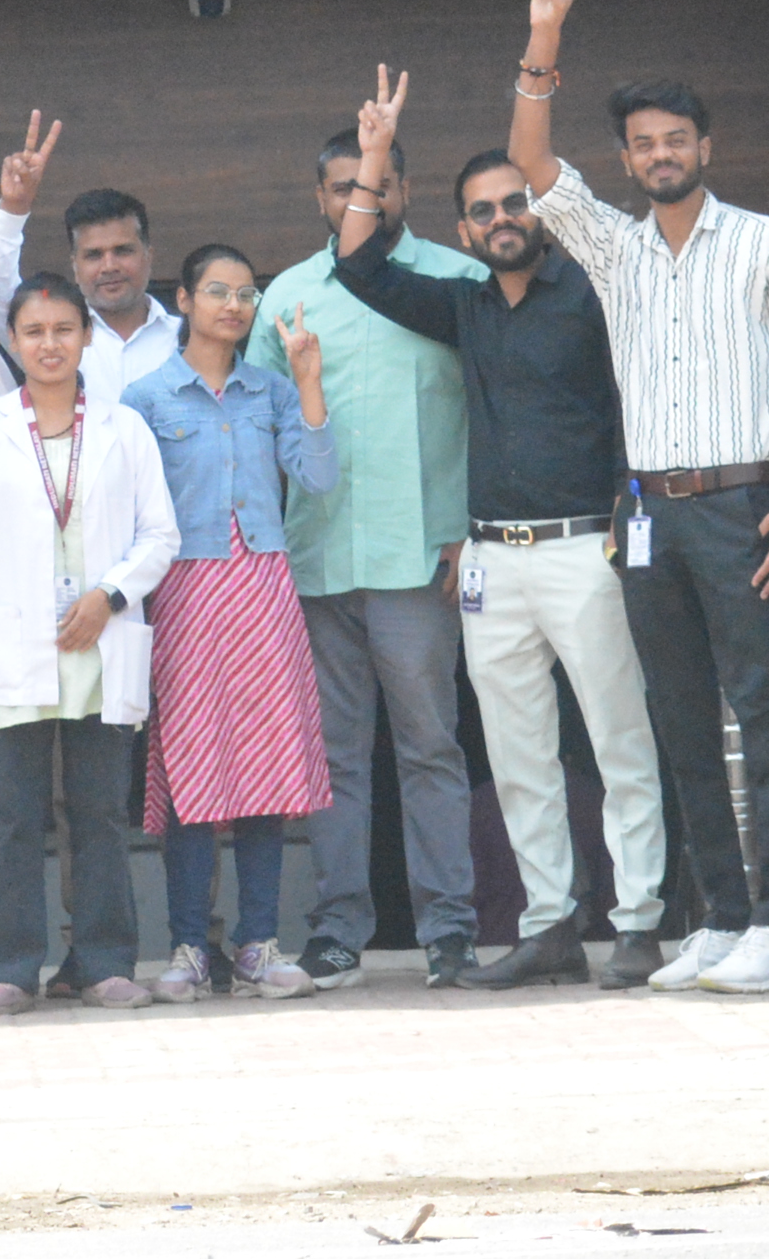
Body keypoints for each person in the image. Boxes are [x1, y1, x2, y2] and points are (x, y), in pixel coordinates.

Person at [505, 0, 769, 998]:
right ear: (626, 158)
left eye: (675, 138)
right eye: (643, 144)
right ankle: (720, 918)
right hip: (643, 513)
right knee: (679, 717)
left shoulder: (762, 243)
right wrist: (543, 37)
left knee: (762, 709)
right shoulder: (610, 250)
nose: (660, 154)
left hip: (743, 505)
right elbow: (527, 165)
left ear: (705, 143)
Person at [329, 79, 669, 992]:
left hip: (583, 549)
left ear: (539, 208)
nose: (501, 219)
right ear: (467, 231)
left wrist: (623, 532)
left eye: (514, 202)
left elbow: (636, 416)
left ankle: (637, 921)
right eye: (481, 212)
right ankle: (549, 924)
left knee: (616, 740)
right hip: (490, 561)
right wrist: (373, 160)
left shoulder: (594, 295)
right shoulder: (466, 303)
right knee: (520, 755)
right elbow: (359, 267)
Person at [0, 248, 180, 1012]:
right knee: (15, 820)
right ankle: (10, 969)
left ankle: (104, 962)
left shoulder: (125, 428)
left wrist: (109, 597)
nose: (49, 344)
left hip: (97, 644)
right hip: (15, 654)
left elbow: (161, 536)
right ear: (13, 343)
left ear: (85, 337)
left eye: (62, 329)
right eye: (33, 331)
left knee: (101, 819)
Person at [259, 117, 487, 989]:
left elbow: (494, 420)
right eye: (350, 185)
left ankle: (450, 930)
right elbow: (259, 429)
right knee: (333, 757)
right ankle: (339, 930)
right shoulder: (284, 298)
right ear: (322, 198)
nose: (369, 197)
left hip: (422, 560)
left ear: (406, 190)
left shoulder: (461, 280)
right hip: (315, 563)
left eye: (384, 181)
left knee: (431, 747)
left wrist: (473, 528)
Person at [123, 244, 340, 1001]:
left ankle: (257, 941)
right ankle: (187, 945)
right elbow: (128, 515)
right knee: (189, 773)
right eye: (216, 291)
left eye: (246, 293)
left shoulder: (272, 391)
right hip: (182, 590)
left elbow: (316, 478)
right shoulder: (144, 400)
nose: (233, 305)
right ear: (181, 300)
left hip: (262, 585)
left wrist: (309, 383)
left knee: (266, 771)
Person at [0, 110, 182, 400]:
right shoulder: (51, 336)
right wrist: (15, 205)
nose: (109, 266)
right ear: (75, 266)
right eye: (93, 255)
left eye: (123, 251)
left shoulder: (186, 339)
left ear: (149, 255)